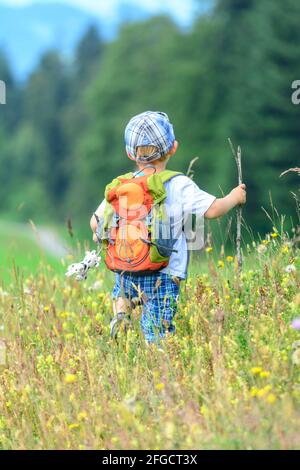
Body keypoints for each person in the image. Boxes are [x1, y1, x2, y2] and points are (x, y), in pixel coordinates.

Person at [90, 111, 246, 343]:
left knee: (125, 292)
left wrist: (101, 234)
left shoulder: (123, 185)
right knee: (157, 332)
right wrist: (235, 197)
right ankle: (157, 359)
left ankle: (122, 309)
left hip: (127, 266)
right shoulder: (179, 184)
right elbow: (213, 210)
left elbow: (96, 222)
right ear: (173, 148)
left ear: (129, 153)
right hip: (165, 272)